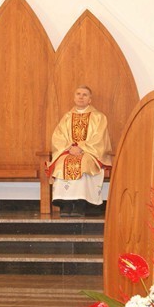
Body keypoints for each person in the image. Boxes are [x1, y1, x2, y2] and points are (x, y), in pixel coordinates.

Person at [47, 86, 112, 217]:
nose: (81, 97)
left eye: (85, 95)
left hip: (90, 152)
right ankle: (65, 204)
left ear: (90, 100)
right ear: (74, 97)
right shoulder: (67, 117)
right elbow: (57, 136)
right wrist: (69, 148)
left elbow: (99, 138)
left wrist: (81, 147)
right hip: (68, 151)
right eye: (78, 94)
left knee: (83, 163)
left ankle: (80, 203)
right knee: (62, 163)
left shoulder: (99, 117)